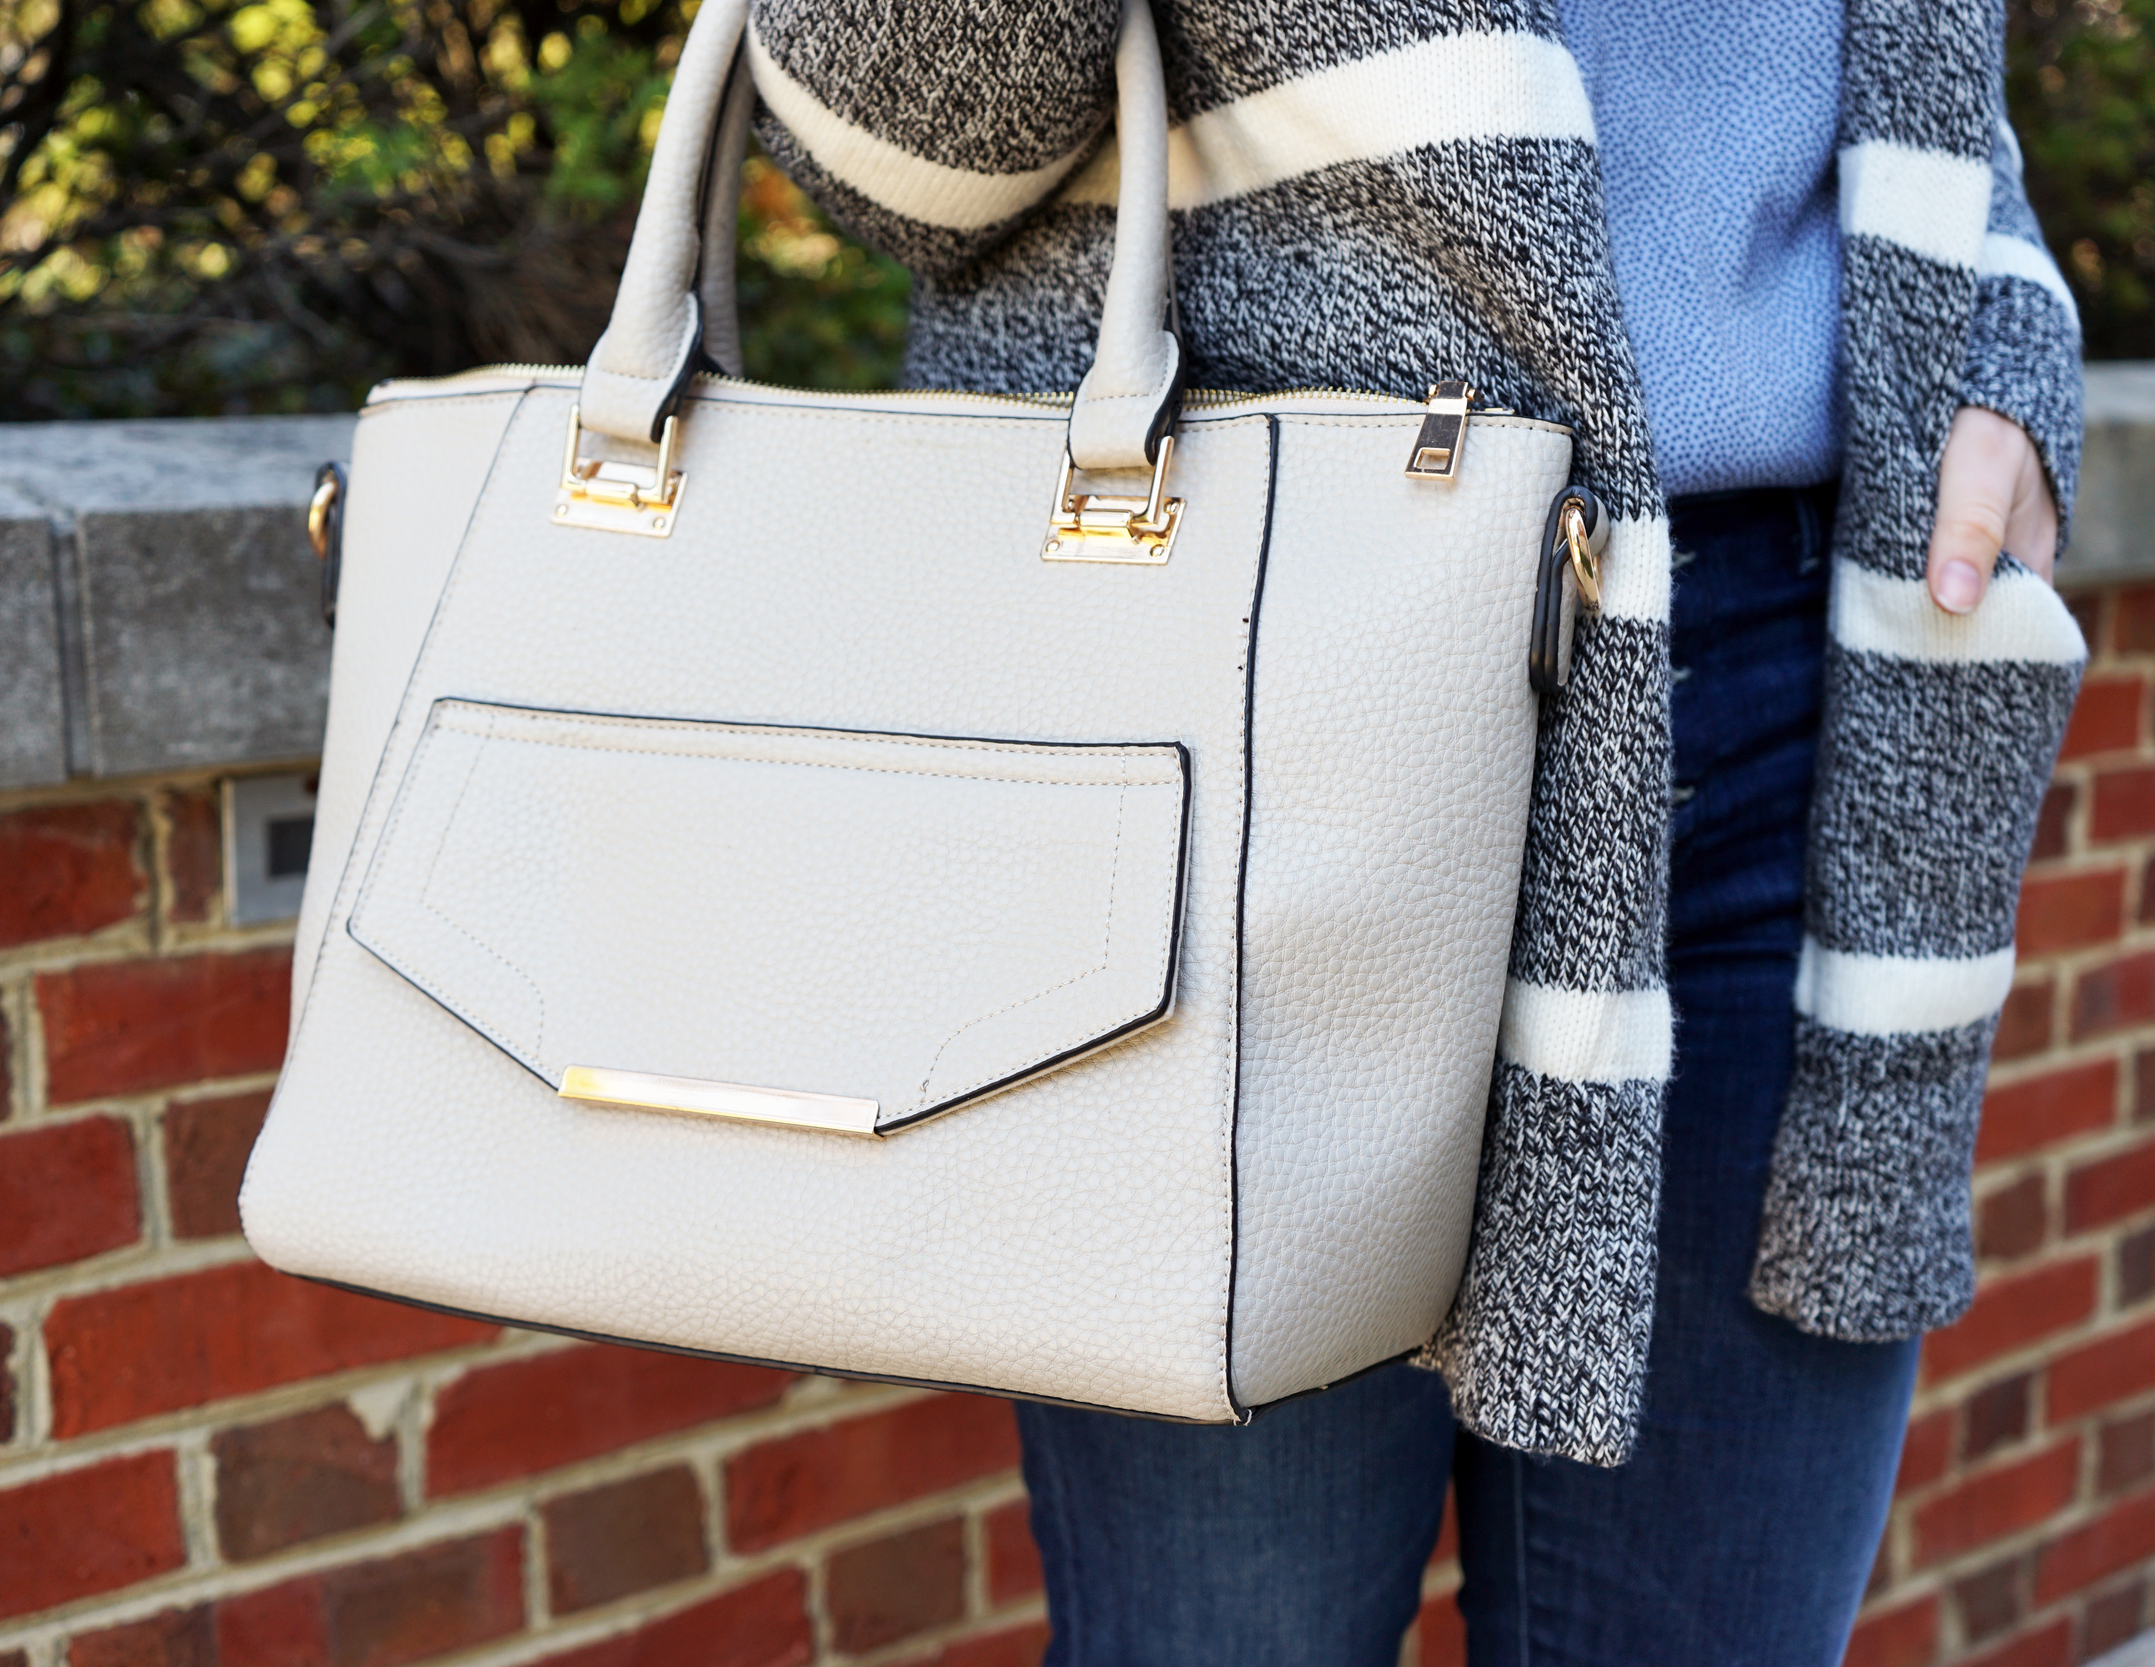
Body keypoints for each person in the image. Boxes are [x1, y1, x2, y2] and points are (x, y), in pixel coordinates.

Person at [743, 1, 2085, 1661]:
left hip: (1793, 704)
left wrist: (2006, 357)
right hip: (1238, 685)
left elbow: (1916, 88)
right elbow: (880, 157)